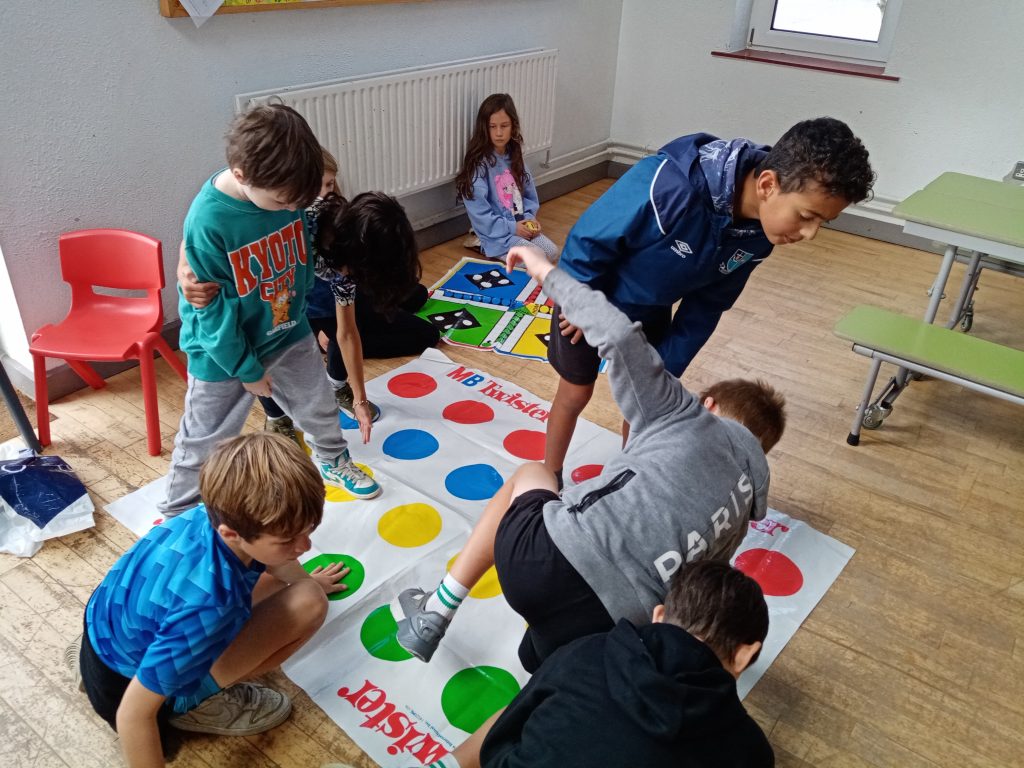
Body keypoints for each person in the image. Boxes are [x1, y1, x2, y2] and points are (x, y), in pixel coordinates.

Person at [392, 245, 785, 672]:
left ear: (708, 405)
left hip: (542, 563)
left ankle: (437, 608)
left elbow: (619, 335)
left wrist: (545, 271)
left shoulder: (688, 415)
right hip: (606, 628)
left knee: (535, 472)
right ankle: (548, 657)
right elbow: (696, 587)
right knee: (536, 653)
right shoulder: (745, 507)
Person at [543, 117, 873, 488]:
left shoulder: (759, 236)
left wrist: (667, 369)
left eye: (822, 222)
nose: (810, 234)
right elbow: (589, 239)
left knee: (645, 408)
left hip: (650, 311)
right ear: (767, 185)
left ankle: (630, 483)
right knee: (575, 392)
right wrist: (579, 302)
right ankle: (548, 477)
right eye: (807, 216)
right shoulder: (668, 185)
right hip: (589, 300)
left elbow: (706, 307)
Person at [71, 432, 352, 768]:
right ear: (231, 533)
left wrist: (304, 577)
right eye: (288, 539)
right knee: (310, 602)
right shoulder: (209, 606)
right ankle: (196, 704)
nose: (305, 547)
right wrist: (307, 587)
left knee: (297, 585)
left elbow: (275, 563)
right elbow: (133, 715)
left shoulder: (216, 512)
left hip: (102, 639)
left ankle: (135, 673)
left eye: (309, 529)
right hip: (127, 694)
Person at [159, 104, 382, 519]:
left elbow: (306, 243)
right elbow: (211, 315)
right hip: (223, 352)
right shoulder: (210, 219)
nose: (290, 208)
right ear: (242, 175)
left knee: (318, 405)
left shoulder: (290, 191)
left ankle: (332, 460)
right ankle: (178, 513)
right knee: (205, 437)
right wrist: (246, 368)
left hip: (287, 329)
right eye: (282, 201)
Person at [178, 149, 439, 442]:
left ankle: (327, 386)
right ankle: (277, 415)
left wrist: (360, 399)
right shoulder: (299, 212)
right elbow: (207, 223)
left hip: (295, 315)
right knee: (264, 359)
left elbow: (347, 332)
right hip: (259, 319)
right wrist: (185, 266)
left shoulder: (344, 270)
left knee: (410, 302)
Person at [442, 561, 772, 768]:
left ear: (659, 617)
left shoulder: (589, 648)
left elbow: (506, 732)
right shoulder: (750, 751)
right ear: (744, 655)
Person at [455, 93, 559, 262]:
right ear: (484, 128)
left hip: (519, 227)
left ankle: (493, 243)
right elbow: (480, 214)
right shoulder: (479, 165)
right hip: (496, 234)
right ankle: (481, 243)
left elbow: (529, 197)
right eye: (492, 126)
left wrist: (530, 220)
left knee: (552, 252)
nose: (499, 133)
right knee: (536, 258)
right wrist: (512, 227)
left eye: (504, 126)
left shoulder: (514, 156)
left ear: (513, 126)